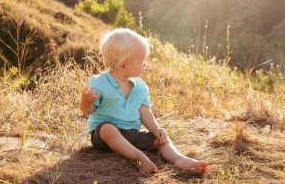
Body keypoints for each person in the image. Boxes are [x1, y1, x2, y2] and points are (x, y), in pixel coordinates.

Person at [79, 28, 208, 175]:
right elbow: (87, 111)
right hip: (104, 138)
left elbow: (144, 111)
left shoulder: (140, 86)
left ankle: (179, 159)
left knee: (160, 139)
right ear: (123, 66)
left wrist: (156, 129)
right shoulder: (99, 82)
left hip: (132, 136)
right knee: (108, 129)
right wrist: (85, 102)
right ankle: (138, 157)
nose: (145, 65)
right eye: (141, 61)